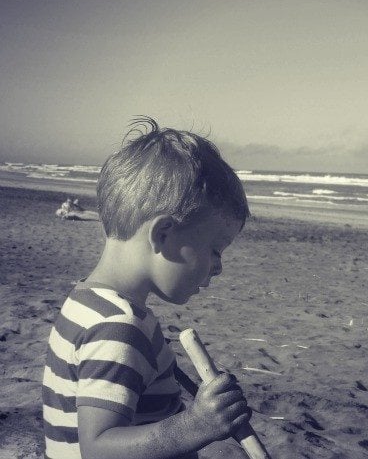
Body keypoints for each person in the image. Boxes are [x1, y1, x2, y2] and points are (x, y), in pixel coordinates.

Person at [43, 117, 252, 459]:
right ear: (164, 234)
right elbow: (98, 448)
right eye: (215, 249)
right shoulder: (119, 328)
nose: (219, 266)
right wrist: (197, 424)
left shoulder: (86, 301)